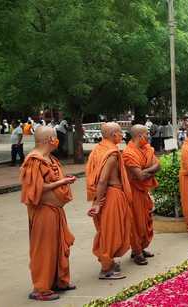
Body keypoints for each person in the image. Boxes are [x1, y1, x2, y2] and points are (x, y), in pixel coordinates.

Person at [20, 127, 77, 301]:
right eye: (55, 137)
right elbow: (36, 188)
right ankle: (41, 288)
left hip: (56, 211)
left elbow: (49, 180)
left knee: (58, 247)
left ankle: (58, 281)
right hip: (44, 211)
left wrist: (62, 180)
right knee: (44, 249)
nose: (57, 140)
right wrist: (62, 182)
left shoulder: (49, 158)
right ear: (48, 140)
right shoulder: (34, 160)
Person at [85, 122, 132, 280]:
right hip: (110, 195)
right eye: (120, 132)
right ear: (113, 135)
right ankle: (106, 269)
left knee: (106, 230)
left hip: (104, 195)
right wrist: (98, 203)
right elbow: (103, 180)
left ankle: (109, 262)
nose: (122, 135)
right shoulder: (111, 153)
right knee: (112, 232)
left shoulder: (98, 149)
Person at [122, 125, 160, 265]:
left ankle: (141, 248)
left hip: (143, 192)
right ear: (139, 136)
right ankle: (137, 251)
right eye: (147, 134)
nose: (149, 136)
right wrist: (150, 169)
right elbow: (140, 176)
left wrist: (146, 170)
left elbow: (158, 166)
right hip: (133, 192)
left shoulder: (148, 149)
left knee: (145, 221)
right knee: (137, 224)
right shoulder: (128, 153)